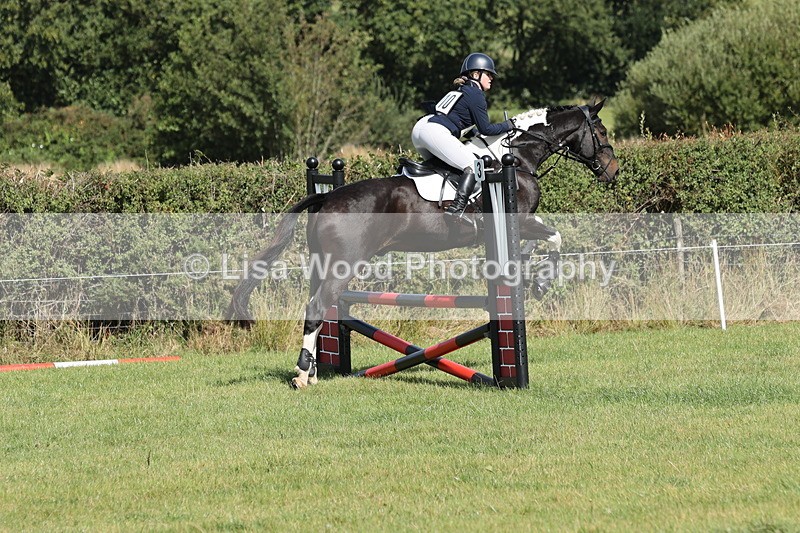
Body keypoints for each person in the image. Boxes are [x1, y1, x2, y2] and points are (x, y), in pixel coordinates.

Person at [411, 52, 515, 218]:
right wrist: (510, 125)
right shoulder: (476, 94)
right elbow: (486, 129)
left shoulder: (460, 91)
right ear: (475, 74)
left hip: (421, 129)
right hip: (434, 131)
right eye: (488, 74)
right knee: (475, 166)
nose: (491, 78)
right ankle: (457, 209)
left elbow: (462, 125)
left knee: (447, 169)